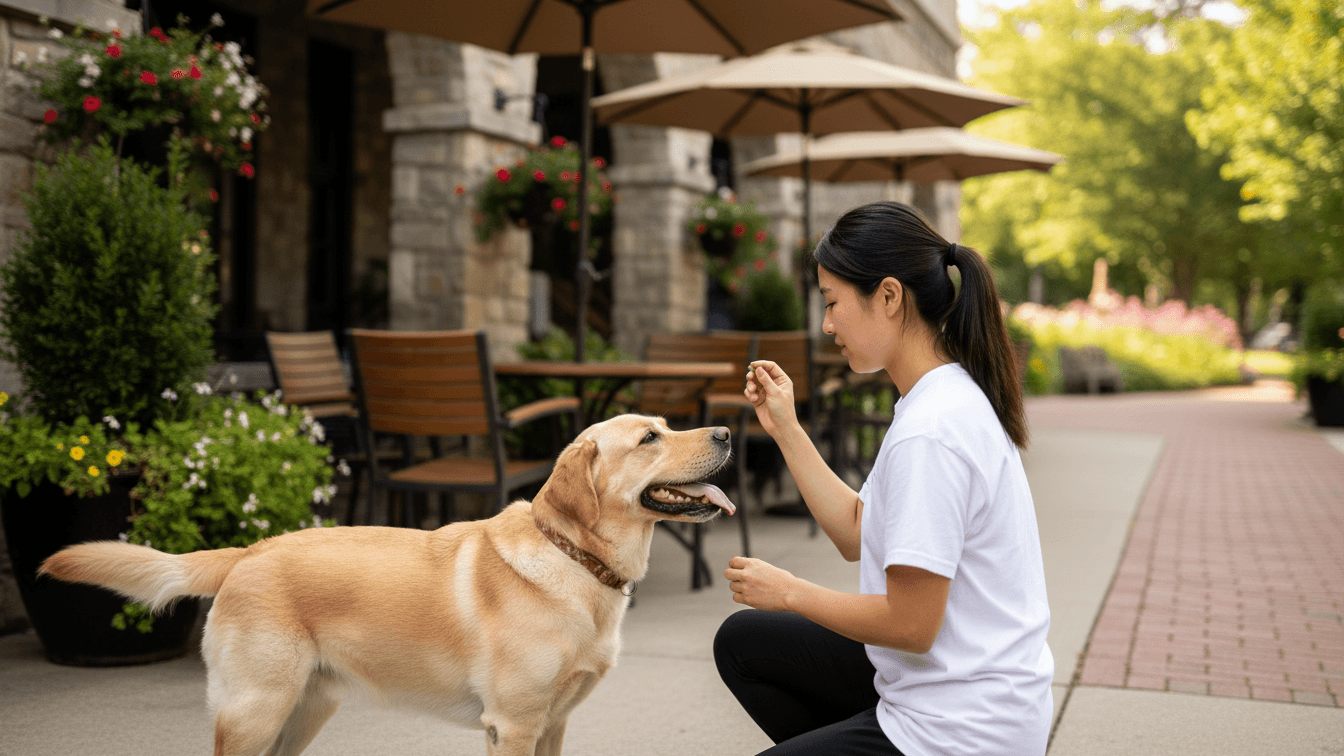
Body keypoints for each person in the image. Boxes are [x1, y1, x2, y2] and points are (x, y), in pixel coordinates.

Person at [715, 201, 1053, 756]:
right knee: (745, 642)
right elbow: (856, 531)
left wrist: (791, 592)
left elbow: (912, 623)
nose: (827, 325)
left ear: (889, 297)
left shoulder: (932, 431)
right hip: (950, 685)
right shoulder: (935, 398)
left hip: (964, 728)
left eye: (833, 303)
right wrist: (786, 427)